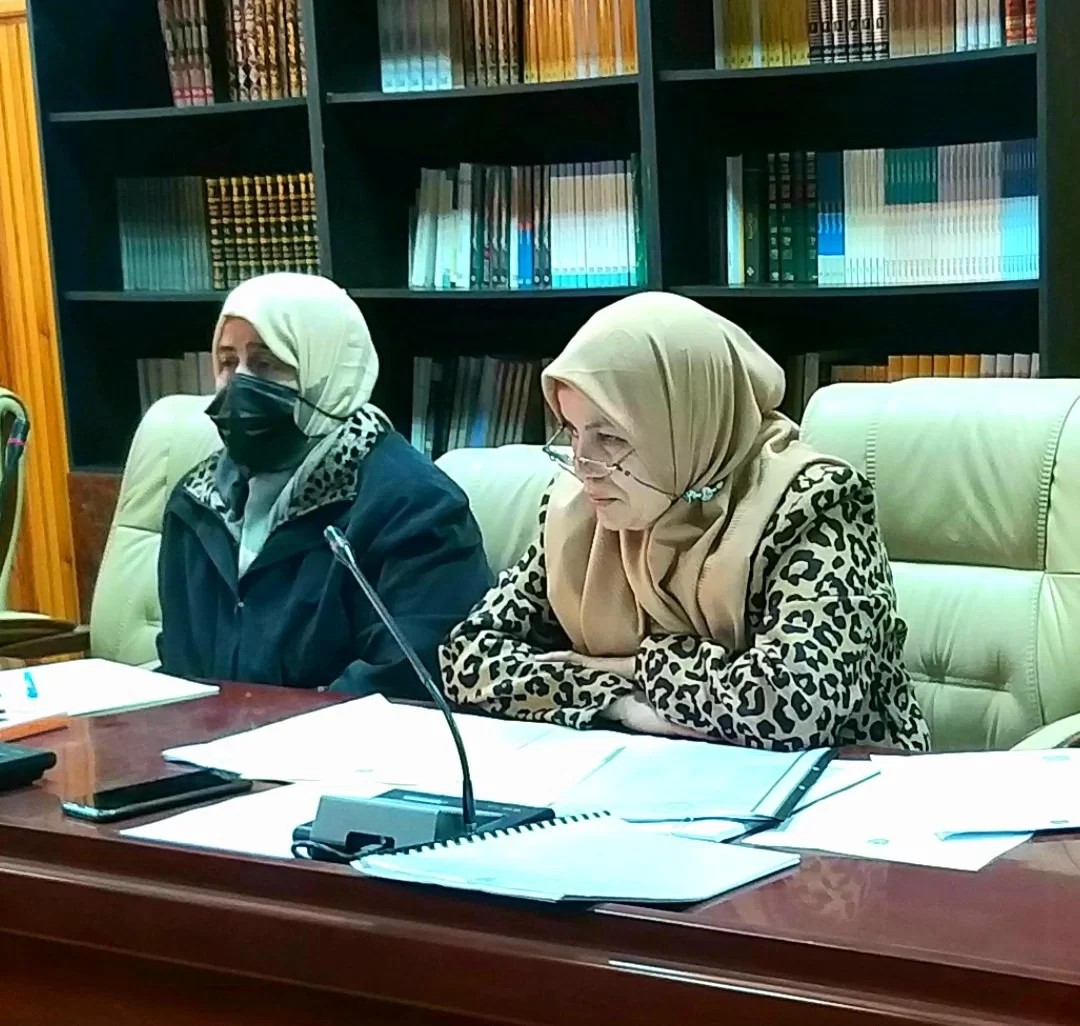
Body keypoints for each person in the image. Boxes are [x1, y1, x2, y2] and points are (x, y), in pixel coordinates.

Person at [440, 292, 930, 751]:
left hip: (840, 783)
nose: (582, 464)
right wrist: (622, 704)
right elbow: (467, 660)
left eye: (610, 437)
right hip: (645, 774)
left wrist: (635, 665)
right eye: (571, 431)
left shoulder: (812, 502)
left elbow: (791, 705)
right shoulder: (579, 510)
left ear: (685, 424)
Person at [157, 272, 491, 696]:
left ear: (329, 372)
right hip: (199, 736)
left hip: (344, 738)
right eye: (227, 363)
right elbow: (181, 669)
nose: (239, 384)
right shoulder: (194, 505)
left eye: (265, 364)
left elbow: (409, 680)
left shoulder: (417, 508)